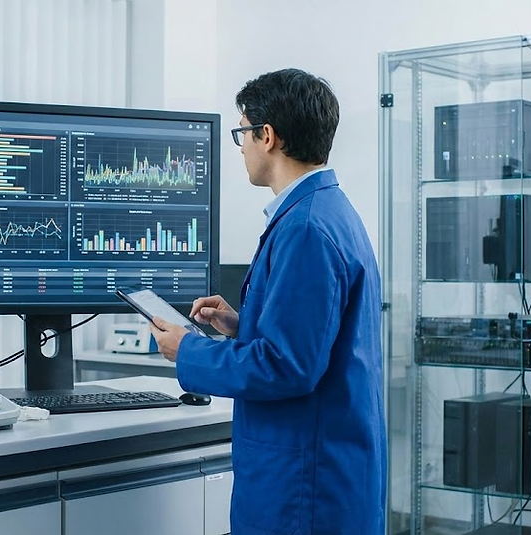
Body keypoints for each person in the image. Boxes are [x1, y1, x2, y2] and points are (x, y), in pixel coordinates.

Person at [148, 68, 387, 535]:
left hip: (304, 487)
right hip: (323, 469)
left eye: (242, 134)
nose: (241, 148)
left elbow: (288, 367)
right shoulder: (327, 211)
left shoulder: (305, 229)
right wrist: (243, 324)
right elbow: (316, 338)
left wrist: (188, 350)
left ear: (268, 136)